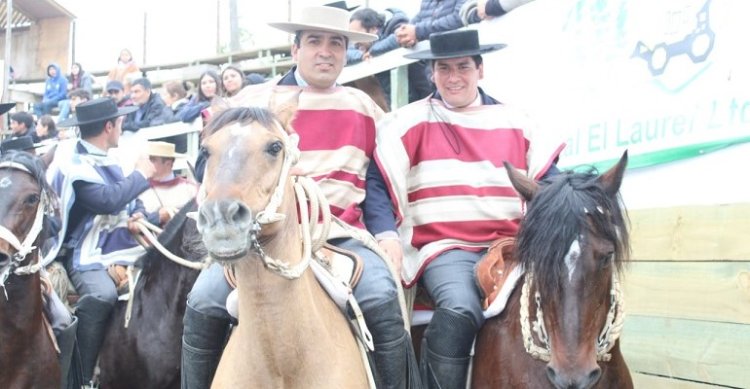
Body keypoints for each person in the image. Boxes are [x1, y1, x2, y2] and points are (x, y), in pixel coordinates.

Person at [182, 6, 420, 389]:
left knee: (380, 293)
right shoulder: (255, 100)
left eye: (336, 44)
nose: (325, 52)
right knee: (203, 300)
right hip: (262, 235)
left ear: (347, 52)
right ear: (295, 50)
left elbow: (375, 182)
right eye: (314, 42)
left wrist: (388, 235)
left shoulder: (366, 108)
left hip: (340, 236)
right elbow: (210, 156)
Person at [368, 29, 564, 388]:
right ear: (431, 73)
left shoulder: (518, 121)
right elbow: (377, 184)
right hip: (445, 246)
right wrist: (385, 235)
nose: (453, 77)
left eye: (463, 67)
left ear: (480, 70)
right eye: (444, 68)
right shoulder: (407, 122)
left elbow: (549, 181)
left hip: (511, 247)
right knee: (460, 307)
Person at [45, 98, 156, 387]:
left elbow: (128, 199)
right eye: (119, 123)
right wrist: (142, 175)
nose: (122, 128)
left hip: (118, 243)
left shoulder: (107, 159)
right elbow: (107, 201)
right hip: (84, 251)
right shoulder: (73, 165)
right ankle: (79, 377)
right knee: (102, 295)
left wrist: (139, 213)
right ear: (109, 127)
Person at [138, 141, 197, 226]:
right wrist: (159, 217)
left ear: (168, 164)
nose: (148, 164)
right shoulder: (140, 189)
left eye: (153, 160)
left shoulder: (190, 189)